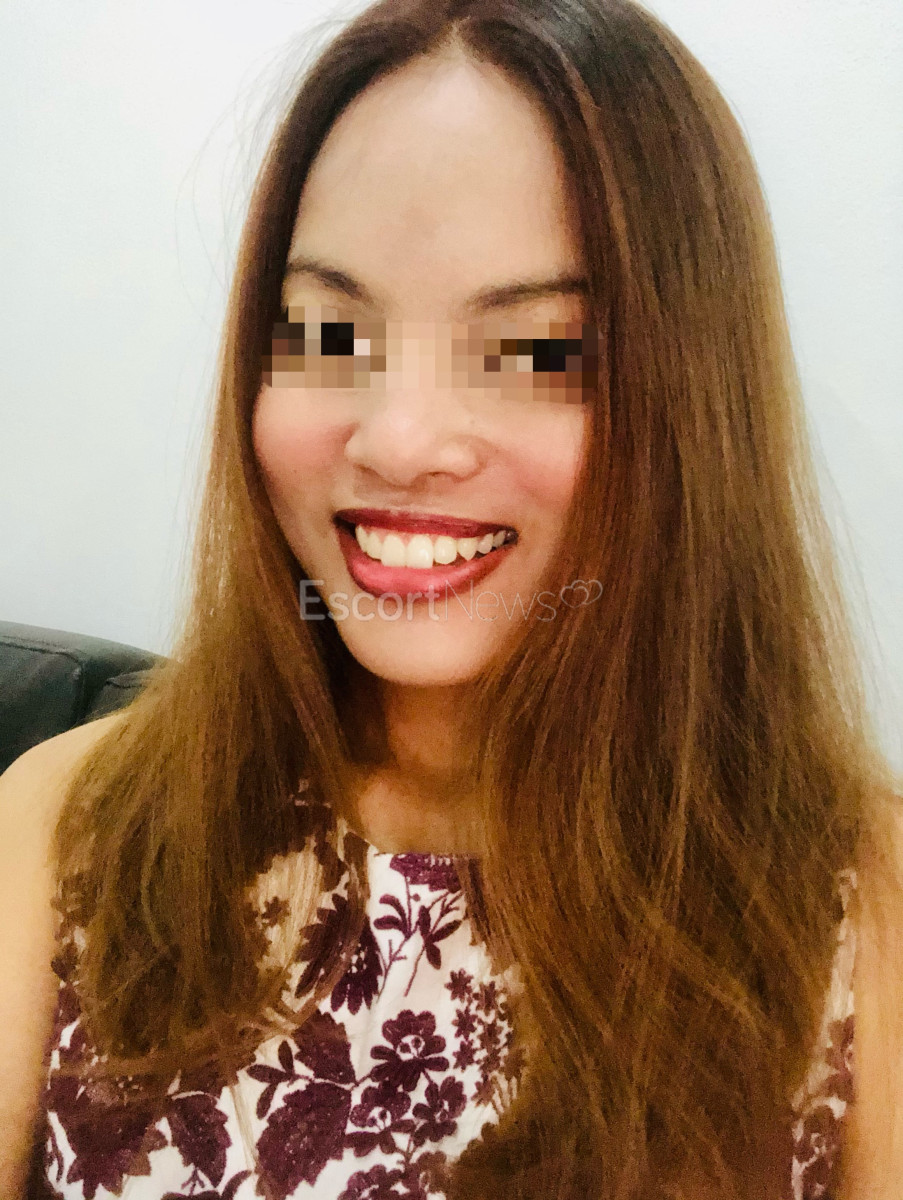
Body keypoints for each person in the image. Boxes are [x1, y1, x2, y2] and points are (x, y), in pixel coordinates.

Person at [2, 0, 901, 1197]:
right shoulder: (69, 828)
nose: (401, 438)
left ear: (694, 404)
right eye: (328, 334)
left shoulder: (863, 911)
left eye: (538, 352)